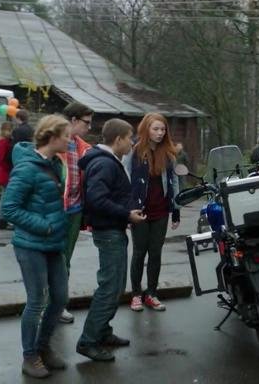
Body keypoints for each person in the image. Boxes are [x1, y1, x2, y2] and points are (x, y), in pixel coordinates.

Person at [0, 115, 72, 379]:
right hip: (31, 245)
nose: (69, 141)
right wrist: (45, 226)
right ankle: (30, 356)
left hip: (53, 244)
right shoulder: (27, 168)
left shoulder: (54, 163)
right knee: (37, 301)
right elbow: (9, 208)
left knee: (60, 297)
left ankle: (43, 347)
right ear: (52, 136)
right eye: (66, 136)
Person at [76, 118, 146, 362]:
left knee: (115, 285)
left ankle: (103, 332)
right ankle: (88, 341)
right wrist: (126, 214)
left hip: (112, 230)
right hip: (108, 232)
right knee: (110, 287)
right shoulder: (104, 163)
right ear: (118, 140)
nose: (132, 143)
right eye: (129, 138)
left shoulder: (107, 160)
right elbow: (97, 199)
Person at [126, 113, 180, 312]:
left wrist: (176, 211)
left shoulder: (169, 154)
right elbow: (125, 179)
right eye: (155, 129)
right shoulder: (134, 151)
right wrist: (127, 210)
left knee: (155, 253)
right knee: (139, 252)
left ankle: (151, 293)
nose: (160, 133)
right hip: (139, 211)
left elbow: (174, 182)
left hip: (161, 211)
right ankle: (136, 294)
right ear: (146, 129)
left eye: (163, 129)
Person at [56, 102, 93, 324]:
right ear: (73, 120)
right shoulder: (53, 142)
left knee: (65, 260)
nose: (89, 127)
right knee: (51, 259)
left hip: (75, 210)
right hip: (54, 211)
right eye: (86, 122)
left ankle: (60, 305)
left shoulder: (84, 148)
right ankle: (43, 305)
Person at [0, 121, 14, 230]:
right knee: (5, 197)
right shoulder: (3, 142)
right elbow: (2, 159)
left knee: (5, 196)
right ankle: (1, 219)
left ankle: (1, 219)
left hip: (4, 173)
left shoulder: (3, 141)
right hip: (5, 173)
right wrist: (9, 169)